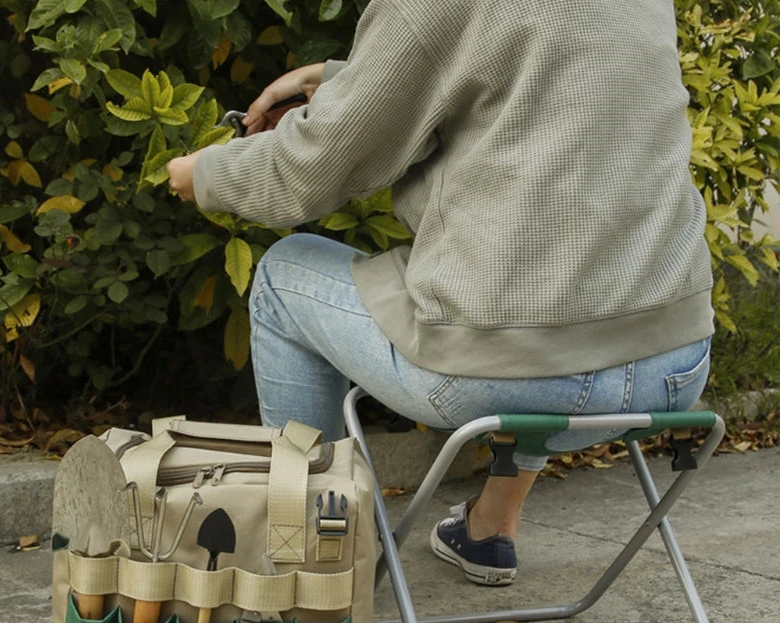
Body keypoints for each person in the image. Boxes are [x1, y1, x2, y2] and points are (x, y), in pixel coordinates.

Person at [167, 0, 714, 587]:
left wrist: (202, 174)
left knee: (282, 275)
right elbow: (538, 77)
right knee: (551, 279)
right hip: (674, 364)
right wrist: (332, 78)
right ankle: (490, 528)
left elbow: (318, 166)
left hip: (505, 376)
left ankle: (319, 564)